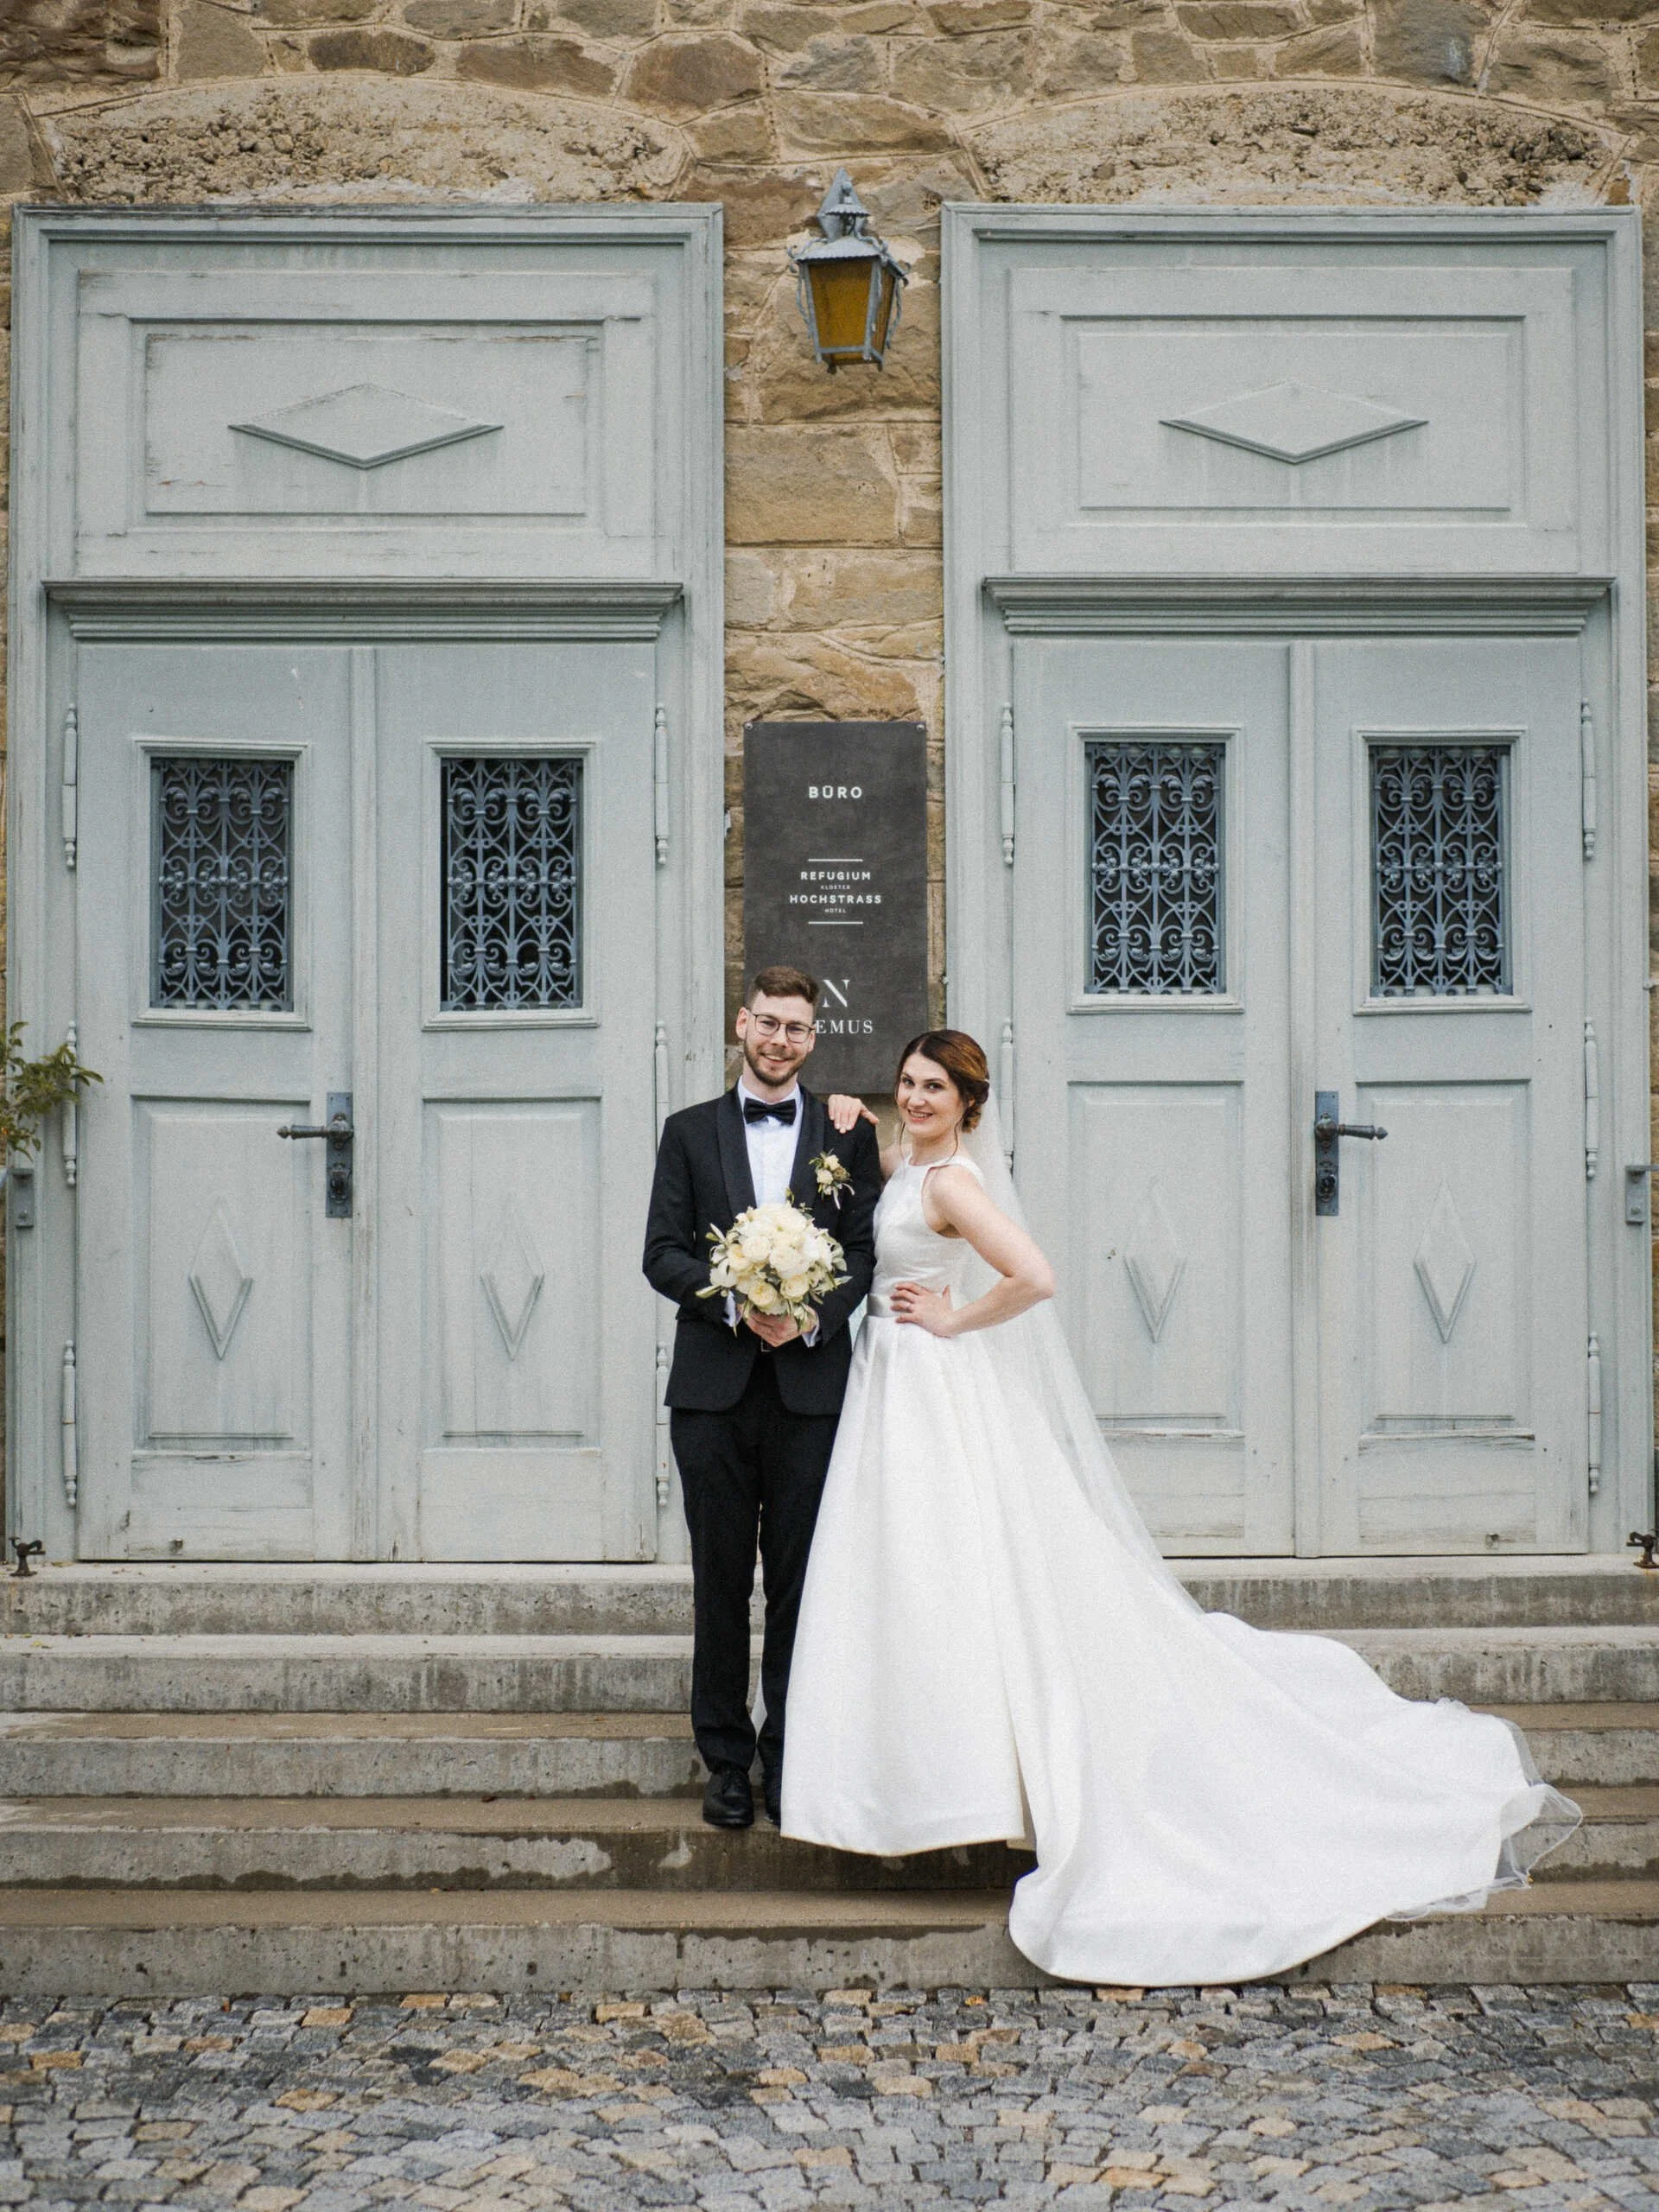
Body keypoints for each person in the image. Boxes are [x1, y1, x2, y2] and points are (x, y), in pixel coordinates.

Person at [782, 1029, 1580, 1985]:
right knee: (917, 1577)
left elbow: (1034, 1276)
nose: (915, 1098)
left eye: (934, 1089)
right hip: (891, 1382)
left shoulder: (953, 1183)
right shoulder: (905, 1159)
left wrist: (952, 1317)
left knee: (953, 1570)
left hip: (930, 1381)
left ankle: (967, 1788)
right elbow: (866, 1177)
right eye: (908, 1082)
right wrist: (843, 1113)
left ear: (968, 1105)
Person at [642, 966, 881, 1831]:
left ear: (814, 1038)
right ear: (742, 1024)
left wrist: (810, 1315)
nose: (781, 1040)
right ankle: (725, 1760)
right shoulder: (687, 1132)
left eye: (796, 1028)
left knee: (798, 1583)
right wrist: (735, 1303)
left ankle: (788, 1754)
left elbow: (864, 1250)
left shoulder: (847, 1133)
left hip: (809, 1391)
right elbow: (662, 1253)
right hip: (713, 1390)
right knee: (718, 1580)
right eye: (768, 1023)